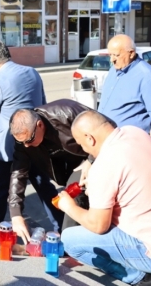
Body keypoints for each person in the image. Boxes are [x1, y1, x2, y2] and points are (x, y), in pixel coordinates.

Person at [0, 40, 59, 227]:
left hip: (9, 145)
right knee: (44, 186)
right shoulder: (31, 72)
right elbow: (43, 103)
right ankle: (60, 226)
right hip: (34, 140)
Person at [60, 110, 151, 286]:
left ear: (89, 138)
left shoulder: (103, 166)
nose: (84, 150)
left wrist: (68, 206)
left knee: (69, 239)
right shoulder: (134, 132)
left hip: (146, 247)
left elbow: (99, 225)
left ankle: (138, 277)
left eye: (81, 144)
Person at [8, 99, 94, 244]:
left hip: (88, 158)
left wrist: (91, 160)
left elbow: (106, 129)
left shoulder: (66, 112)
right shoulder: (24, 140)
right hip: (66, 168)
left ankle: (71, 244)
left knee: (72, 202)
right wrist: (16, 214)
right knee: (75, 202)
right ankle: (80, 240)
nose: (26, 146)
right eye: (21, 142)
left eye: (29, 140)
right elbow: (18, 173)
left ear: (39, 125)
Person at [98, 34, 151, 133]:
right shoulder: (113, 70)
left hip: (129, 142)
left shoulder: (146, 75)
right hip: (106, 137)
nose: (112, 60)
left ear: (131, 53)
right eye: (110, 55)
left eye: (116, 55)